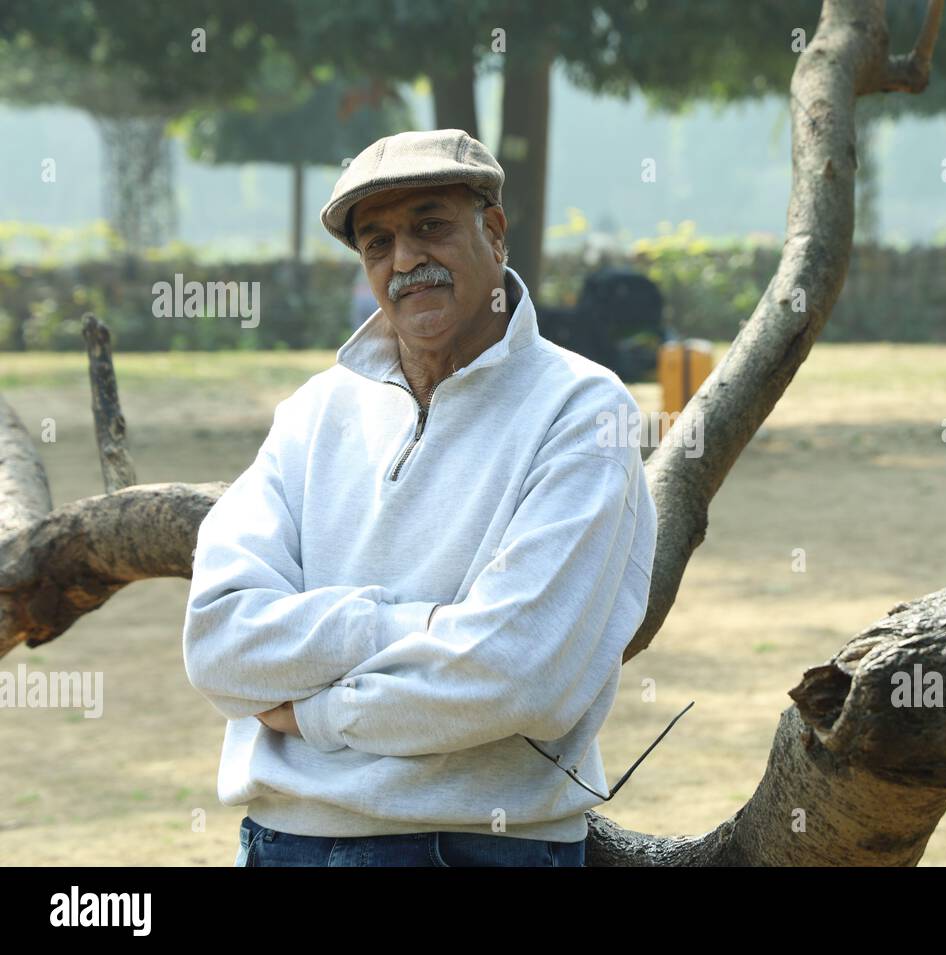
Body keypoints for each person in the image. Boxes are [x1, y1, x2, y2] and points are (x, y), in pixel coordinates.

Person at [181, 129, 657, 867]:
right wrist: (415, 625)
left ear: (493, 231)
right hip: (282, 845)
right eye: (378, 242)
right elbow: (218, 642)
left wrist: (312, 713)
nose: (404, 260)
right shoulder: (314, 412)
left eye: (430, 225)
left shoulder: (584, 410)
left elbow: (517, 677)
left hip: (476, 849)